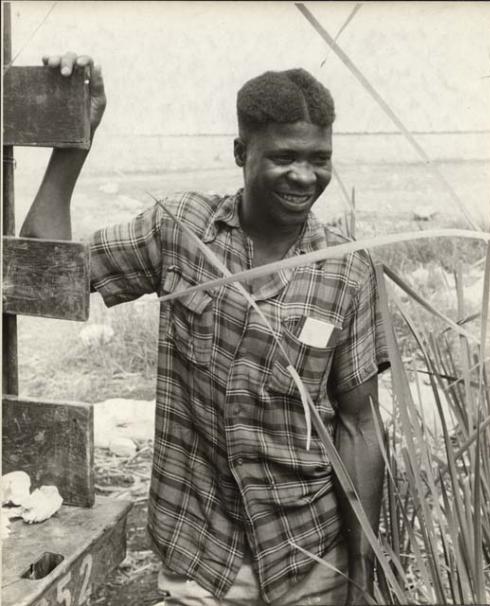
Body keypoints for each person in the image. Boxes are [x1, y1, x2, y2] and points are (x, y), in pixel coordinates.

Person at [21, 52, 390, 606]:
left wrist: (364, 573)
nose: (305, 175)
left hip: (312, 560)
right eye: (284, 156)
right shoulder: (181, 231)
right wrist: (77, 139)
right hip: (200, 558)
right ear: (241, 152)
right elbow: (43, 273)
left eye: (320, 158)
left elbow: (360, 426)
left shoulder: (347, 267)